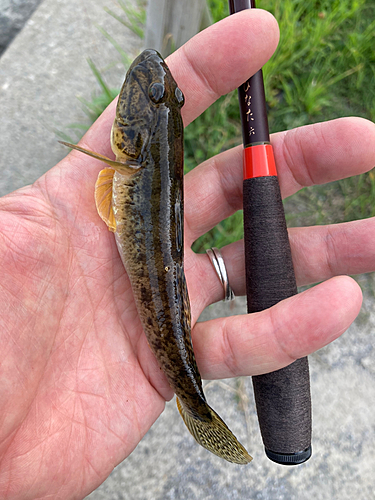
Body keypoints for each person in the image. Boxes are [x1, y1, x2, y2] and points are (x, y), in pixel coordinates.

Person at [0, 8, 374, 500]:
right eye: (166, 99)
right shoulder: (137, 165)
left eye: (166, 100)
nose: (163, 93)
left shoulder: (126, 163)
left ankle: (195, 402)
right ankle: (194, 401)